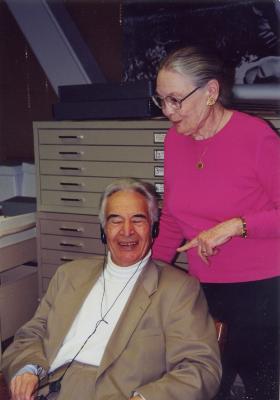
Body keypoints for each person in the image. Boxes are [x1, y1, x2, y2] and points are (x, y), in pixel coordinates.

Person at [2, 178, 221, 400]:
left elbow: (201, 368)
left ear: (154, 228)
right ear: (103, 229)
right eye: (116, 221)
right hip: (48, 388)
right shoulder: (69, 275)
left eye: (138, 220)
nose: (127, 231)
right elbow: (30, 335)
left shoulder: (178, 289)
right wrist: (28, 369)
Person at [151, 46, 280, 400]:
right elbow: (174, 215)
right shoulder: (175, 140)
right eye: (162, 100)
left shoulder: (256, 137)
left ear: (210, 92)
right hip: (204, 290)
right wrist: (150, 270)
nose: (168, 112)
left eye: (176, 99)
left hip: (262, 292)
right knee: (206, 387)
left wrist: (235, 225)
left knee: (260, 389)